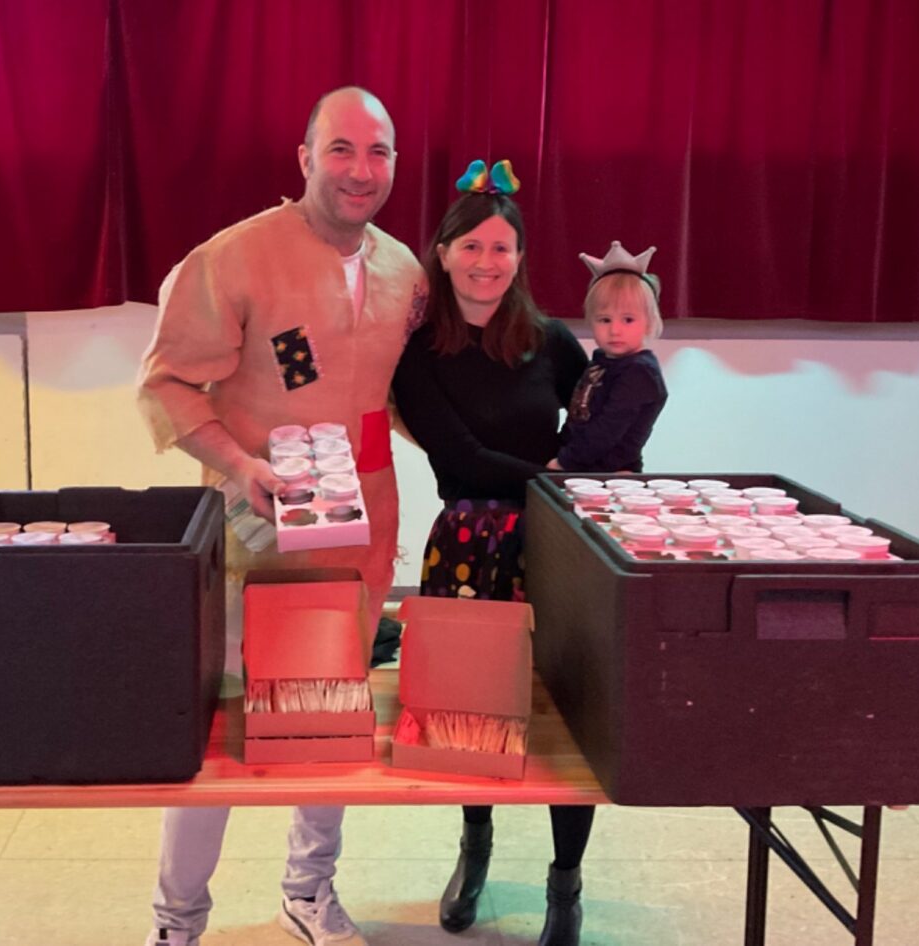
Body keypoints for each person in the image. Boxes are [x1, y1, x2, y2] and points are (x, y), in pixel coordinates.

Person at [135, 87, 426, 946]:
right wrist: (241, 465)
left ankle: (309, 890)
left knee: (331, 715)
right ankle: (176, 920)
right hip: (253, 531)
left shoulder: (406, 272)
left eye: (379, 152)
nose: (361, 171)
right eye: (341, 149)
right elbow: (167, 382)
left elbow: (417, 397)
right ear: (304, 158)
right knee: (218, 726)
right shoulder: (235, 258)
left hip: (360, 532)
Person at [390, 160, 598, 946]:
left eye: (502, 247)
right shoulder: (420, 353)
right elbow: (461, 458)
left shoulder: (551, 341)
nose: (486, 261)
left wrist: (611, 451)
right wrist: (555, 478)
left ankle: (565, 884)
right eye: (471, 246)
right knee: (474, 711)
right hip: (470, 550)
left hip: (560, 547)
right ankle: (474, 846)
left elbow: (600, 424)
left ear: (520, 258)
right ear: (442, 254)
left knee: (575, 713)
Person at [548, 240, 668, 473]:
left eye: (628, 320)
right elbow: (579, 417)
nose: (615, 330)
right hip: (585, 465)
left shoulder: (639, 371)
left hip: (611, 472)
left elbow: (607, 429)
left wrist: (565, 461)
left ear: (649, 322)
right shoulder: (604, 360)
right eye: (605, 320)